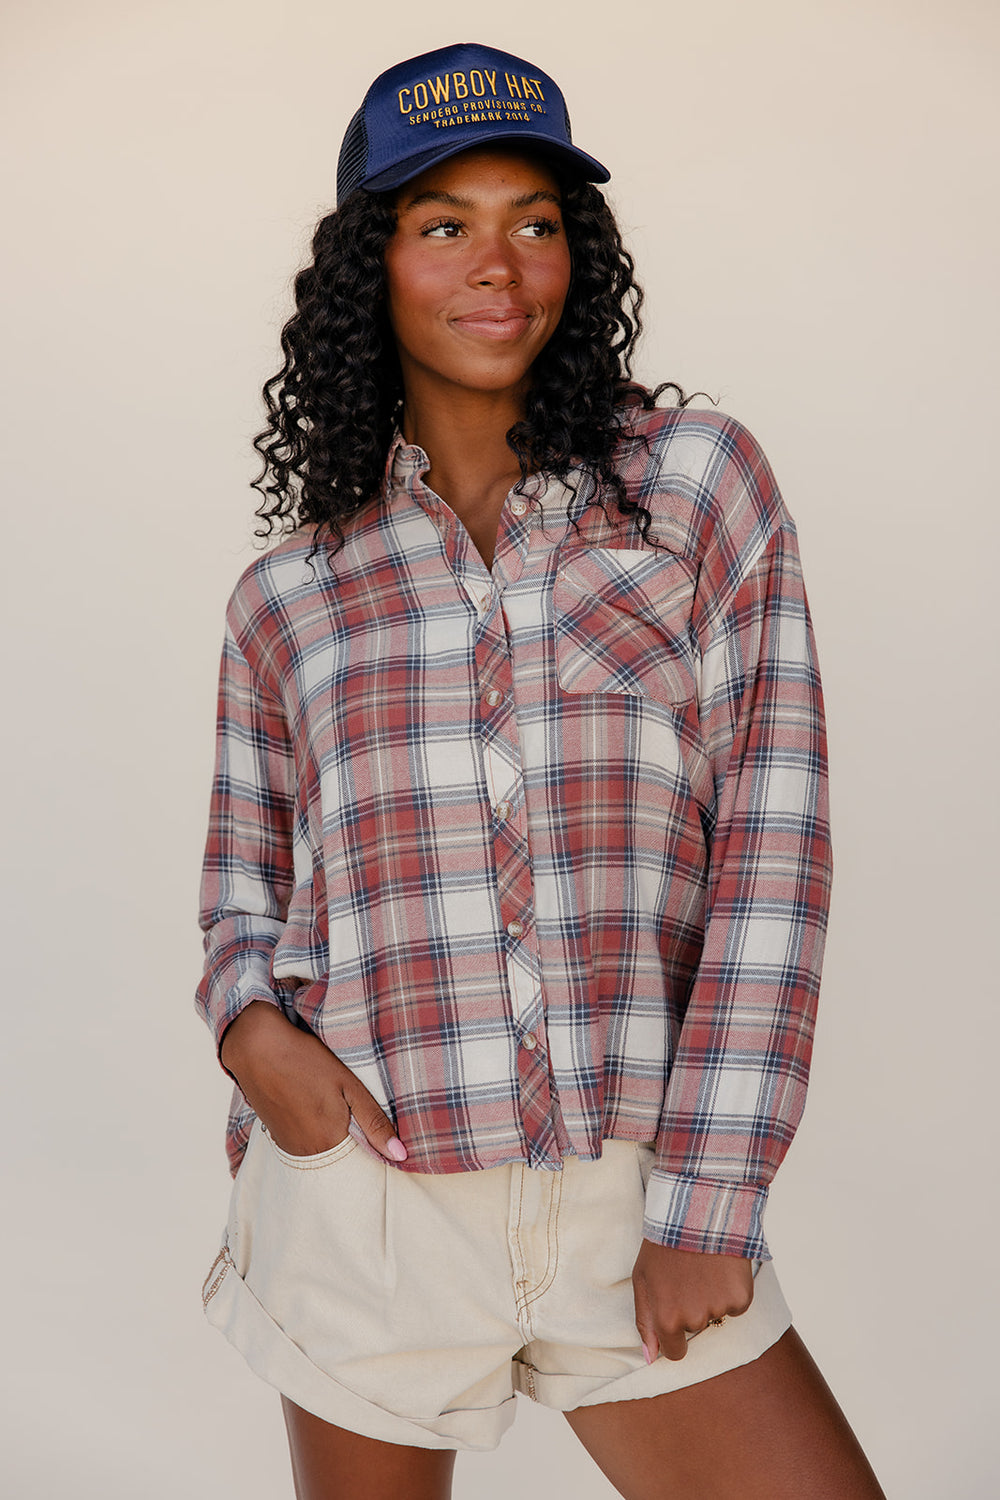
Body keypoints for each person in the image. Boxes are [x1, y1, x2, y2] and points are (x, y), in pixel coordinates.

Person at [195, 42, 885, 1500]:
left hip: (635, 1208)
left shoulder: (691, 489)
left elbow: (775, 847)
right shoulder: (292, 593)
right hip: (369, 1206)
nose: (497, 267)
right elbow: (243, 887)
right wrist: (255, 1034)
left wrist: (709, 1196)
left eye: (537, 222)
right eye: (444, 224)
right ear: (370, 267)